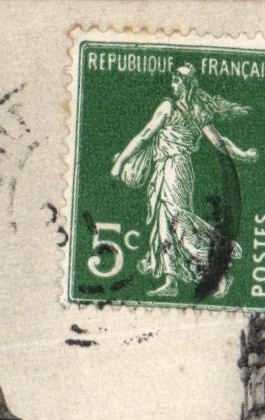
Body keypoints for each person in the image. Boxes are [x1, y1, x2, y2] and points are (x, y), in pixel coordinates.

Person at [110, 63, 257, 298]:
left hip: (175, 169)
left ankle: (219, 273)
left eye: (177, 81)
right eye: (173, 81)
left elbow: (146, 136)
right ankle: (171, 281)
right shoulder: (191, 109)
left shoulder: (177, 108)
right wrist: (243, 155)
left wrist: (119, 163)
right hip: (166, 169)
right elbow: (219, 142)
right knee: (163, 224)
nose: (173, 85)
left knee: (179, 223)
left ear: (187, 84)